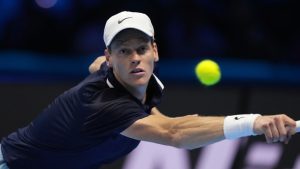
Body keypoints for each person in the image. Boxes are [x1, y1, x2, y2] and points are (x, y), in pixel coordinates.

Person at [0, 11, 297, 169]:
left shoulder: (129, 81)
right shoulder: (104, 104)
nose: (134, 58)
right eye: (124, 51)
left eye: (141, 49)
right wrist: (254, 122)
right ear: (110, 55)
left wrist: (104, 65)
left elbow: (166, 122)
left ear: (154, 50)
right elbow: (174, 133)